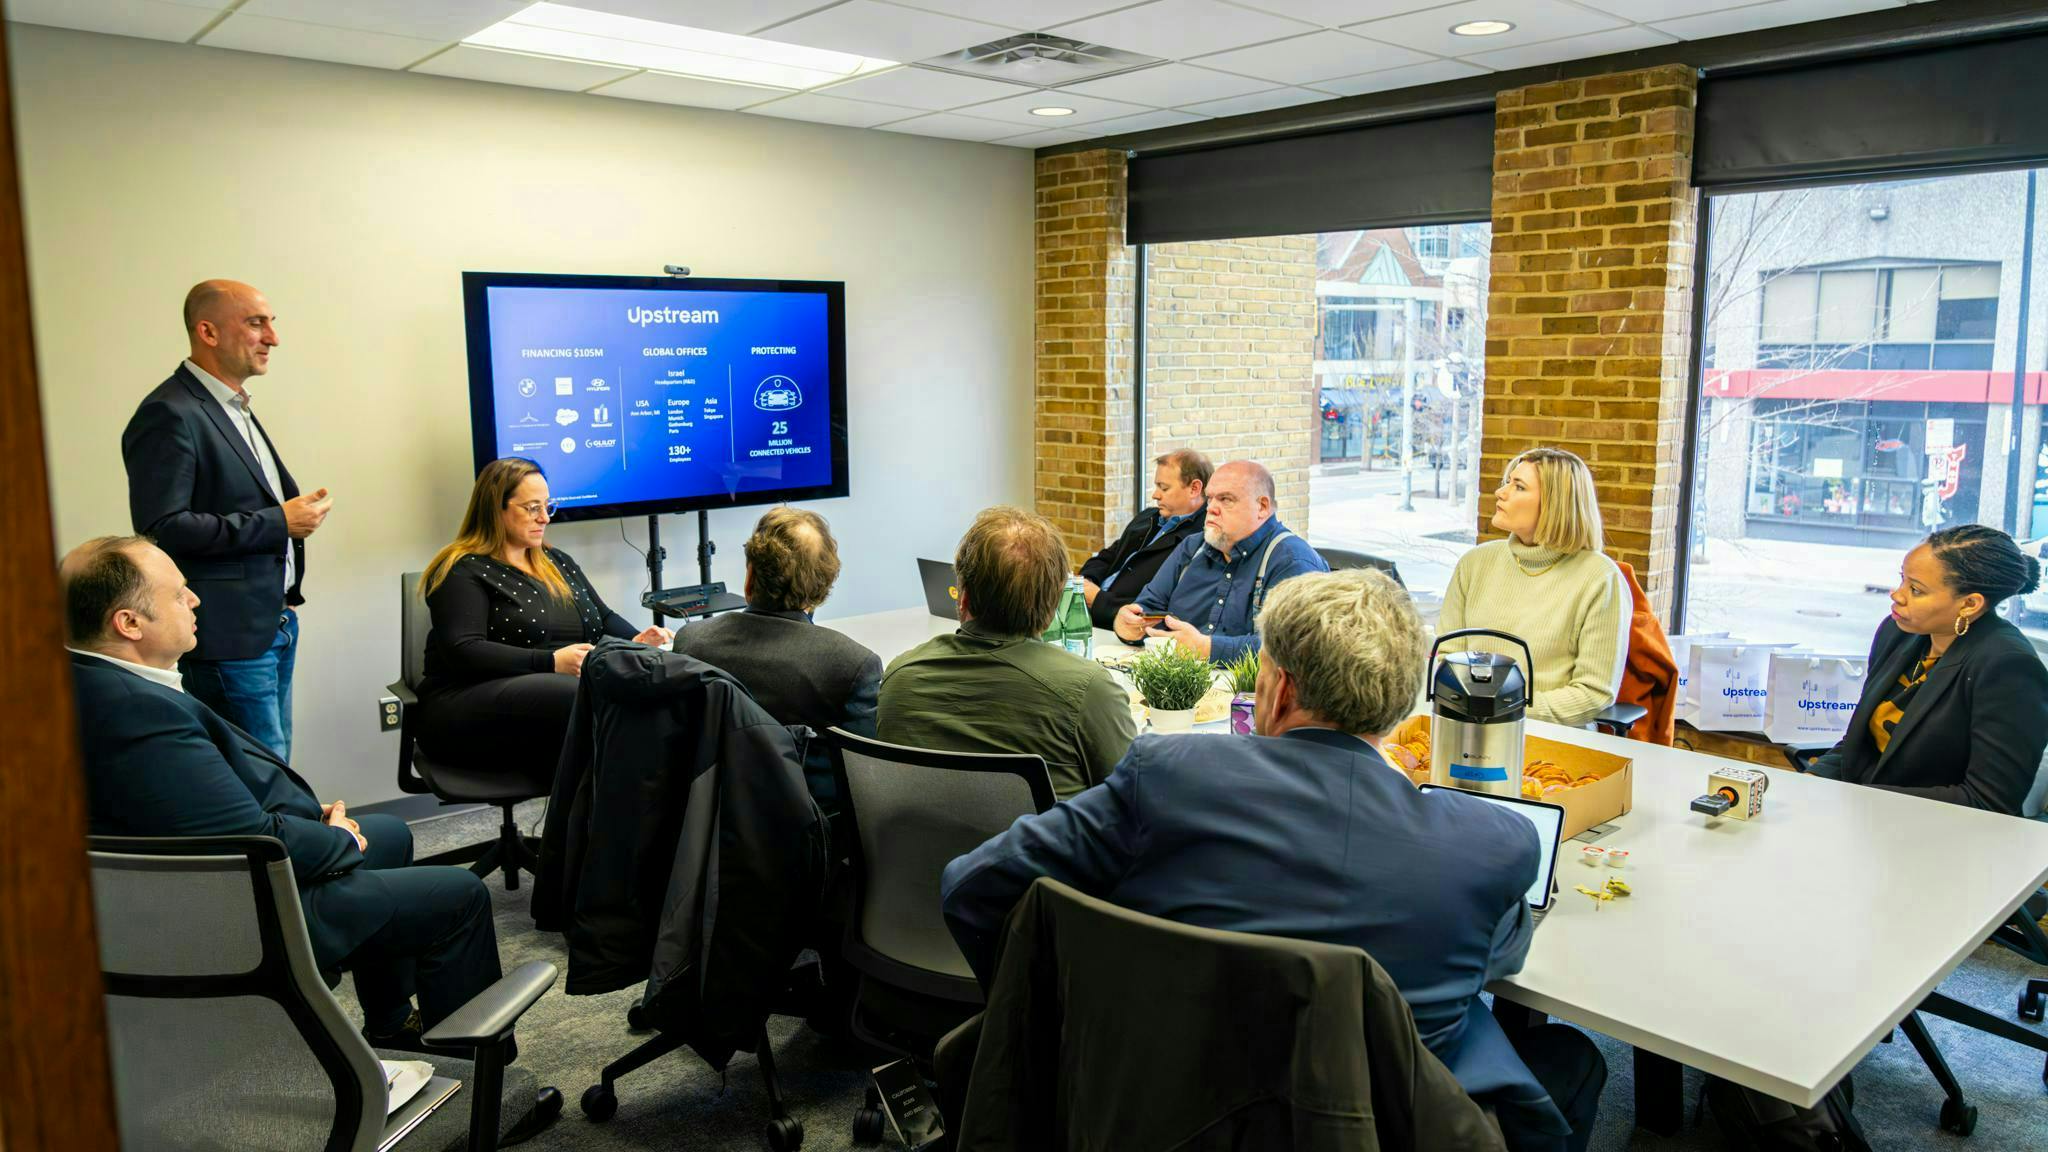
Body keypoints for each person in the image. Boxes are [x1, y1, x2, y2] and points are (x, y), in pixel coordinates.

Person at [943, 569, 1604, 1151]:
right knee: (1571, 1058)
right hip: (1370, 1128)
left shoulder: (1168, 776)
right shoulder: (1491, 844)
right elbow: (1498, 956)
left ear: (1279, 688)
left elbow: (971, 882)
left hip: (1149, 1108)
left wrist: (1051, 1008)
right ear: (1404, 709)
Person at [62, 536, 507, 1054]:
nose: (195, 600)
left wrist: (307, 817)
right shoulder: (137, 712)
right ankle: (483, 1084)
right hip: (243, 912)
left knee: (388, 833)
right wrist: (337, 838)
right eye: (179, 593)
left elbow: (190, 802)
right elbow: (250, 840)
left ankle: (389, 1023)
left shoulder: (91, 679)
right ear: (129, 623)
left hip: (207, 880)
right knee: (458, 895)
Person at [123, 279, 332, 761]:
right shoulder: (168, 413)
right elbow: (162, 528)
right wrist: (279, 522)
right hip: (228, 637)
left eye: (271, 323)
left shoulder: (233, 407)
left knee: (274, 769)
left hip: (273, 622)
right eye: (256, 323)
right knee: (263, 776)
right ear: (208, 332)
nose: (272, 338)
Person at [414, 458, 670, 786]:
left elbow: (602, 618)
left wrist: (639, 641)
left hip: (547, 697)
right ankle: (594, 826)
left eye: (548, 505)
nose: (545, 517)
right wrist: (550, 662)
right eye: (532, 507)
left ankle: (621, 819)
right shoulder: (461, 569)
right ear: (496, 508)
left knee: (648, 685)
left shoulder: (555, 560)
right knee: (583, 693)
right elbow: (463, 650)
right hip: (463, 704)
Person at [879, 506, 1136, 799]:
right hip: (1038, 846)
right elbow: (1132, 805)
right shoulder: (1089, 691)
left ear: (962, 599)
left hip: (920, 845)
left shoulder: (899, 678)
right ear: (1053, 607)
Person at [1806, 524, 2048, 813]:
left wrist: (1859, 801)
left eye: (1916, 590)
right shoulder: (1898, 633)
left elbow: (1989, 800)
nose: (1897, 595)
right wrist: (1810, 783)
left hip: (1946, 838)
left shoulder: (2008, 667)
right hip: (1870, 816)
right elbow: (1857, 743)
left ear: (1970, 604)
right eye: (1902, 580)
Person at [674, 506, 882, 807]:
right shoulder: (852, 665)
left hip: (711, 830)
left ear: (750, 577)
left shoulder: (692, 642)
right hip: (811, 839)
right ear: (822, 588)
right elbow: (866, 782)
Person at [1438, 447, 1628, 729]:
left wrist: (1505, 710)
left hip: (1551, 738)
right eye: (1507, 482)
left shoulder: (1600, 578)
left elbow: (1594, 694)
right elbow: (1447, 658)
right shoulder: (1475, 563)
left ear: (1555, 504)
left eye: (1519, 487)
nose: (1501, 493)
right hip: (1465, 727)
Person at [1112, 459, 1328, 663]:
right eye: (1210, 498)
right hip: (1175, 683)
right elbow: (1149, 607)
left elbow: (1291, 648)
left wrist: (1206, 648)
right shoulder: (1193, 547)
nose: (1211, 508)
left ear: (1262, 507)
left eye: (1226, 499)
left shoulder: (1292, 560)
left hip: (1247, 695)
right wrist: (1128, 625)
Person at [1077, 448, 1211, 629]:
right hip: (1090, 612)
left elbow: (1162, 607)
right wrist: (1086, 582)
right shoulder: (1148, 517)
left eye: (1164, 488)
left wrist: (1098, 599)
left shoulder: (1199, 540)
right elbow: (1109, 556)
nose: (1155, 495)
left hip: (1125, 627)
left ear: (1194, 488)